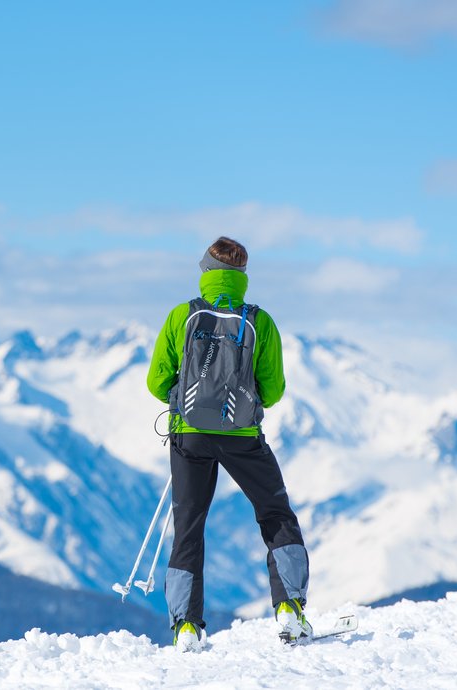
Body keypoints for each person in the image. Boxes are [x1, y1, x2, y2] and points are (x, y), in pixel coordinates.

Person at [146, 236, 310, 652]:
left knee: (189, 524)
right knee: (274, 513)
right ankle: (289, 606)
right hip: (242, 437)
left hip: (190, 435)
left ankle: (186, 626)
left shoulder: (182, 317)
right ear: (243, 276)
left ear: (205, 271)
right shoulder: (260, 321)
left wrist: (184, 400)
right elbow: (273, 390)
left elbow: (155, 381)